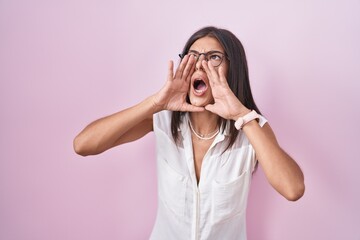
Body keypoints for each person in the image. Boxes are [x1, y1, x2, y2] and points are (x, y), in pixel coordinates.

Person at [73, 26, 305, 240]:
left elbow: (293, 189)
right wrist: (154, 103)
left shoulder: (251, 128)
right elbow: (83, 145)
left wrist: (242, 117)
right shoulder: (162, 119)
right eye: (192, 56)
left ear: (233, 70)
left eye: (214, 57)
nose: (200, 64)